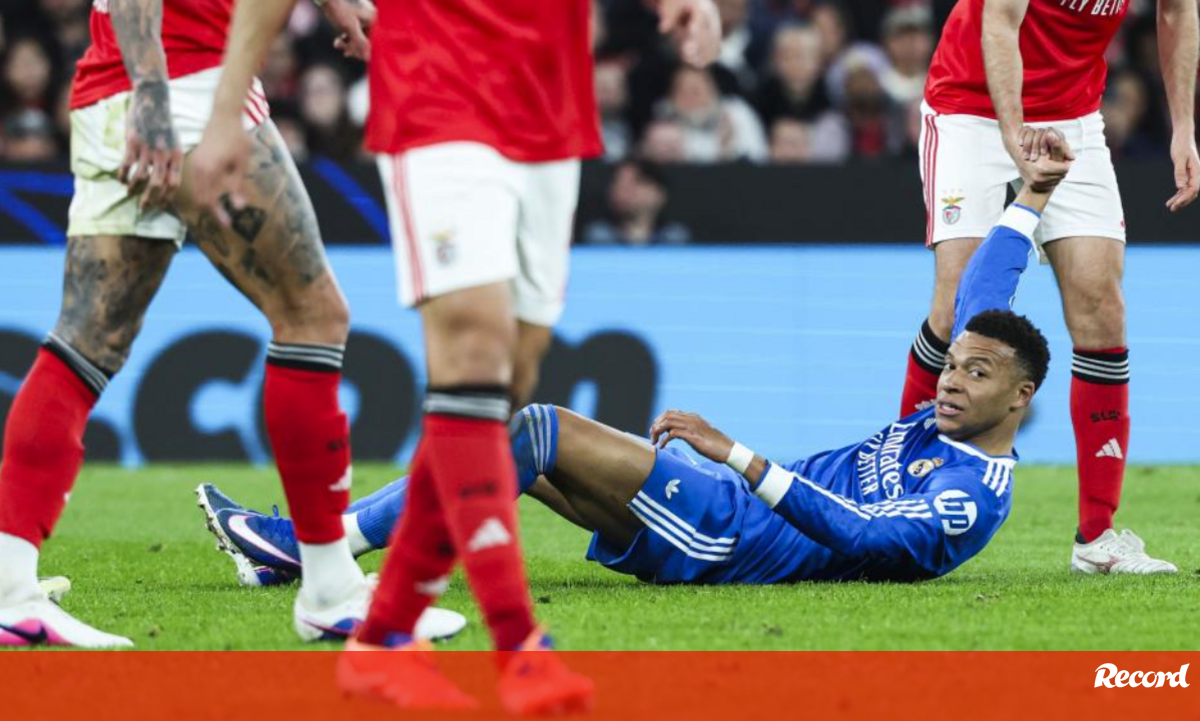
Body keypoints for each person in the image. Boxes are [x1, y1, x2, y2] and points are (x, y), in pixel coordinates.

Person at [199, 133, 1073, 606]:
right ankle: (318, 554)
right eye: (955, 365)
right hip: (726, 513)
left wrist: (736, 455)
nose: (951, 379)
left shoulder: (969, 494)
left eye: (976, 374)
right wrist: (1031, 197)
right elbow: (982, 295)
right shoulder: (945, 417)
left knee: (536, 429)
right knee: (517, 448)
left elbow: (865, 536)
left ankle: (317, 549)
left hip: (734, 538)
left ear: (1021, 397)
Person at [184, 0, 722, 713]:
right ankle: (518, 644)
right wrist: (227, 108)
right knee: (474, 354)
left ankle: (383, 635)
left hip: (549, 100)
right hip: (439, 85)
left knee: (509, 384)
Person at [0, 0, 460, 650]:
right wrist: (155, 93)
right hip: (185, 86)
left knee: (87, 341)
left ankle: (8, 591)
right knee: (313, 316)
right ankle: (331, 590)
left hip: (118, 87)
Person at [905, 0, 1198, 574]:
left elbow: (1177, 14)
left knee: (1102, 308)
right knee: (959, 309)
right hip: (971, 109)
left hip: (1073, 117)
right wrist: (1015, 135)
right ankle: (901, 500)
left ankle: (1097, 536)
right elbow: (1000, 21)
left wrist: (1184, 127)